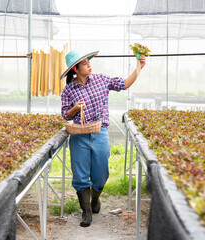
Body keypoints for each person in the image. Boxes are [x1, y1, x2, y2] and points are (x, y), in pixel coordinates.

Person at [60, 49, 146, 227]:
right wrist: (76, 108)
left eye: (88, 62)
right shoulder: (68, 89)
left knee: (101, 174)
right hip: (79, 136)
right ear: (75, 68)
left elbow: (124, 84)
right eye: (84, 63)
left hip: (100, 132)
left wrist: (139, 67)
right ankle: (86, 212)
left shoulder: (101, 80)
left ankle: (95, 198)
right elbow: (65, 114)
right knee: (80, 175)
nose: (89, 65)